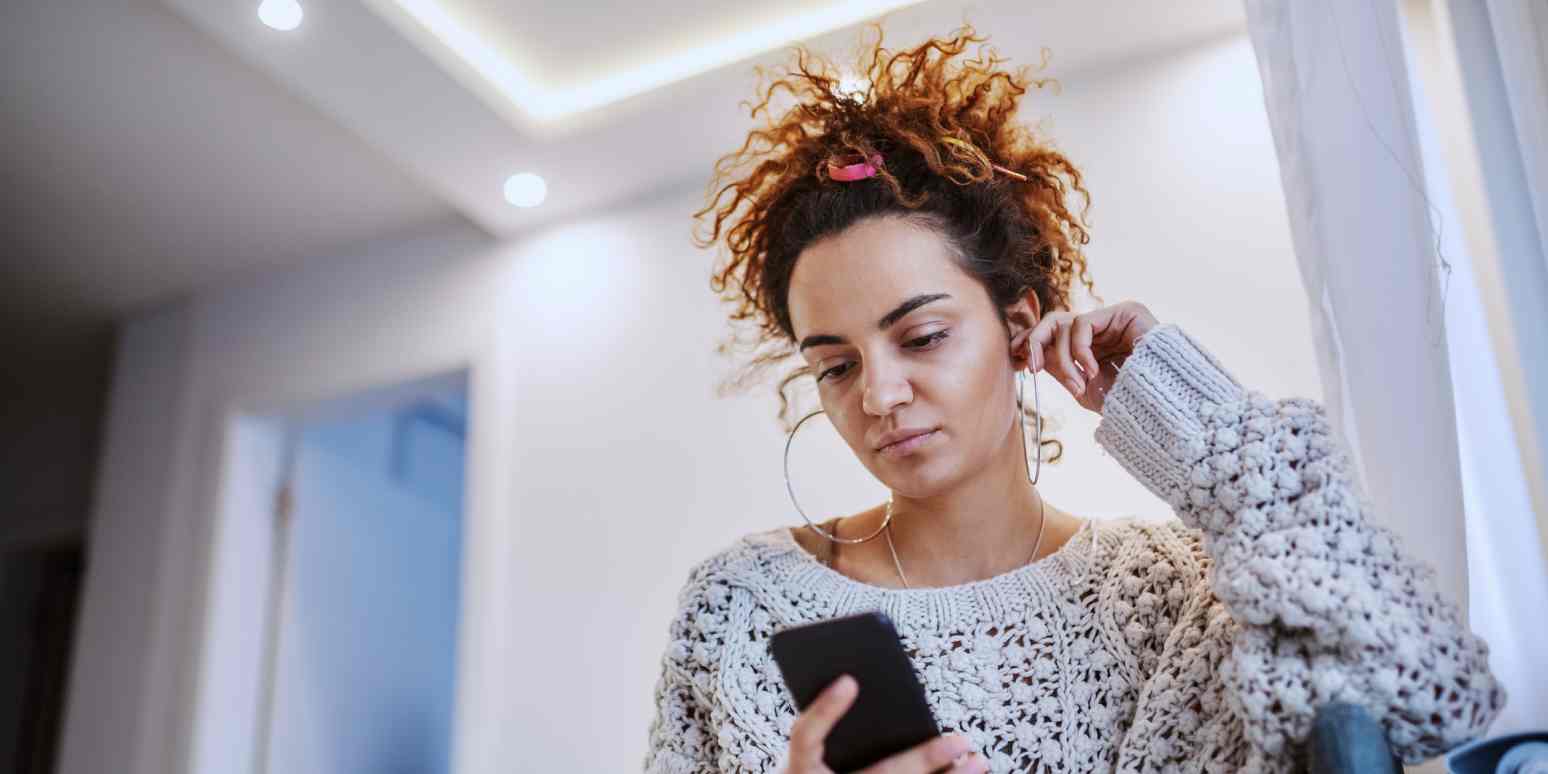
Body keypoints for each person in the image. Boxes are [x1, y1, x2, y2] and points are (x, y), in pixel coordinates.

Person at [643, 23, 1504, 773]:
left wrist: (1189, 410)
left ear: (1019, 325)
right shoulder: (743, 606)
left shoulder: (1187, 591)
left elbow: (1433, 696)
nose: (880, 393)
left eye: (922, 336)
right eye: (835, 365)